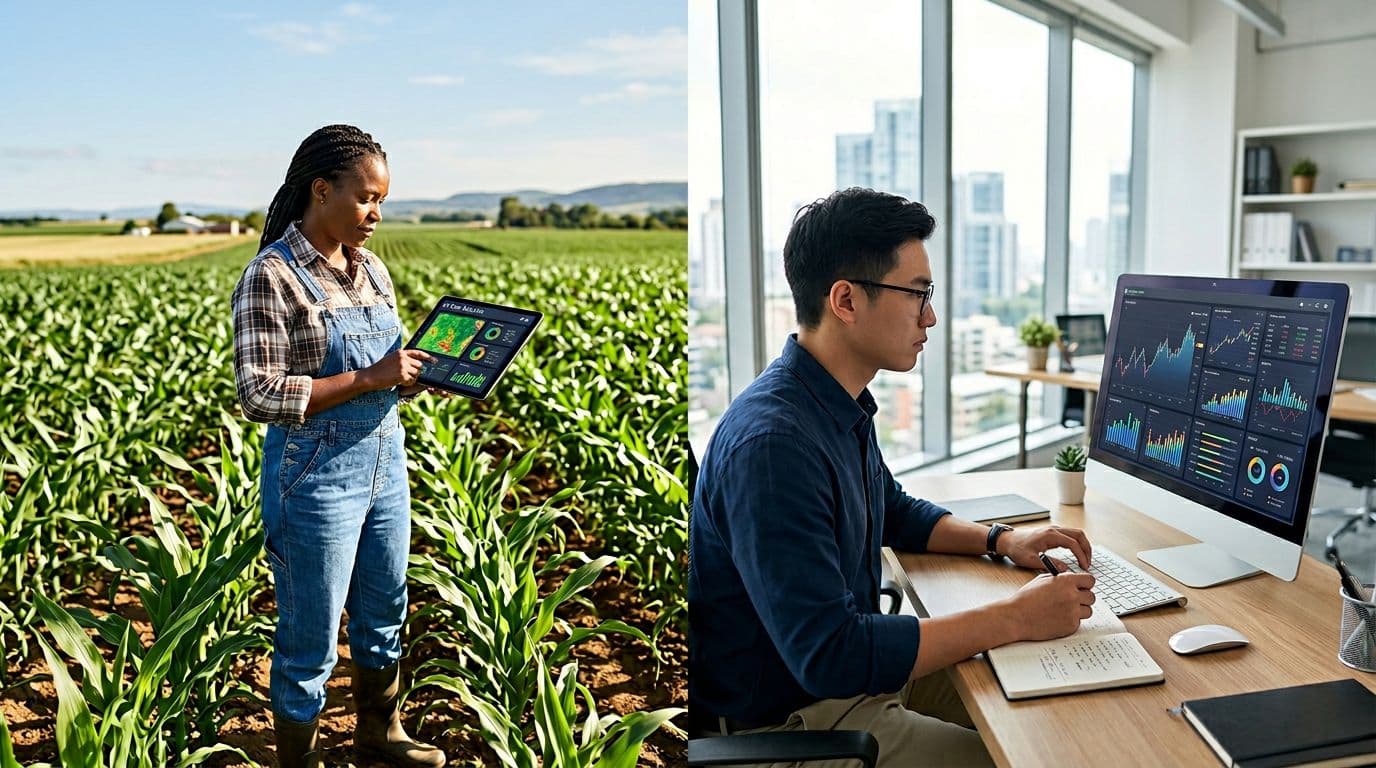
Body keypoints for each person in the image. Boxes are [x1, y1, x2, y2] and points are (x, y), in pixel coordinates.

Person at [688, 187, 1098, 766]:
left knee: (1060, 716)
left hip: (855, 685)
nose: (930, 316)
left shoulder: (831, 400)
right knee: (1033, 756)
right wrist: (1014, 616)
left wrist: (1003, 540)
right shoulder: (775, 446)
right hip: (799, 723)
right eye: (918, 294)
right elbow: (828, 653)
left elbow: (893, 508)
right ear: (846, 300)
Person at [232, 124, 446, 768]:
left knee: (384, 610)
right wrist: (373, 377)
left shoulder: (372, 268)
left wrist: (420, 375)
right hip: (314, 473)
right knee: (311, 633)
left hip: (385, 462)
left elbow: (387, 370)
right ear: (321, 191)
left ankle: (380, 732)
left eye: (383, 201)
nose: (376, 214)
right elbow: (260, 394)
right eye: (366, 198)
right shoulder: (273, 275)